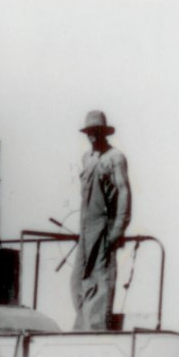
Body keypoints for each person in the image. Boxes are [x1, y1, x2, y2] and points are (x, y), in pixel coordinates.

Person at [71, 109, 131, 330]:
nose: (92, 136)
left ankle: (96, 329)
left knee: (100, 280)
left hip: (104, 226)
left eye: (96, 131)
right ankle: (83, 326)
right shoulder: (87, 158)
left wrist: (118, 229)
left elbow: (124, 192)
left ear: (104, 132)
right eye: (89, 132)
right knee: (77, 280)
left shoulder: (115, 158)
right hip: (85, 228)